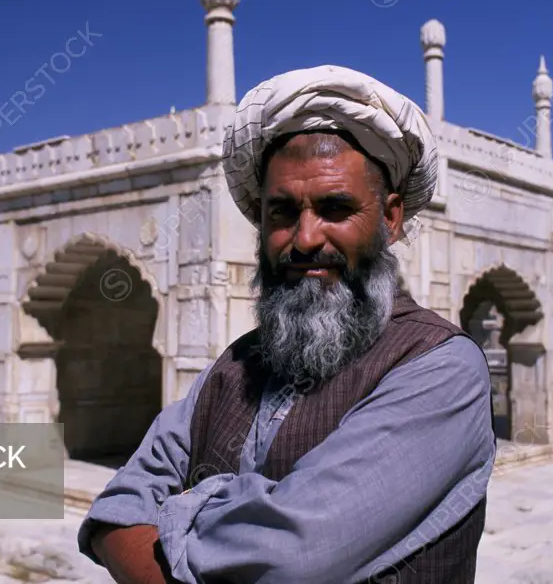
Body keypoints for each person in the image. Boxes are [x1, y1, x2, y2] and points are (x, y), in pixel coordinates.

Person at [78, 65, 496, 584]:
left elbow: (293, 559)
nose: (304, 238)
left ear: (390, 219)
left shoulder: (438, 366)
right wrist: (233, 521)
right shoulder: (236, 366)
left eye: (334, 208)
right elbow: (116, 509)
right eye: (281, 213)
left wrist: (187, 505)